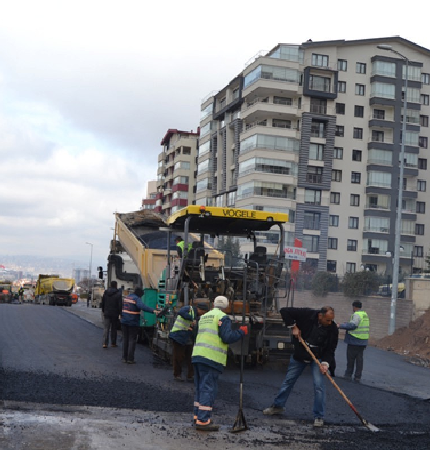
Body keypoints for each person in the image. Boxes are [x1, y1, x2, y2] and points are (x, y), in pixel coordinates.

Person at [263, 306, 338, 428]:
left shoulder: (332, 329)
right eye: (328, 320)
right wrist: (294, 327)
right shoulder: (307, 314)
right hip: (300, 355)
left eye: (331, 320)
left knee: (319, 386)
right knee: (288, 381)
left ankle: (319, 416)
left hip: (317, 357)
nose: (330, 323)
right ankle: (278, 406)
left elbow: (330, 349)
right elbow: (284, 311)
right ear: (320, 316)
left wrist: (325, 364)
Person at [191, 295, 248, 431]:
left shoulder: (203, 317)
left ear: (213, 304)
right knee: (208, 388)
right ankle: (203, 421)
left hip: (198, 355)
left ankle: (197, 416)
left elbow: (194, 334)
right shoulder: (222, 317)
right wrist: (241, 332)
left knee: (200, 387)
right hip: (211, 358)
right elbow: (227, 337)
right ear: (227, 306)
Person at [169, 302, 209, 382]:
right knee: (178, 357)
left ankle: (191, 376)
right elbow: (181, 312)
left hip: (189, 338)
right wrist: (191, 318)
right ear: (199, 309)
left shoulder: (198, 317)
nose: (202, 314)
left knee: (191, 358)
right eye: (202, 312)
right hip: (179, 336)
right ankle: (177, 375)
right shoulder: (188, 309)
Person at [121, 287, 160, 364]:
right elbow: (142, 307)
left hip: (124, 321)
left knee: (125, 340)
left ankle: (124, 358)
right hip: (132, 322)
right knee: (132, 340)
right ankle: (130, 359)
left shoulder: (127, 297)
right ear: (139, 294)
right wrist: (153, 310)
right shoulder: (136, 299)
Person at [338, 301, 369, 383]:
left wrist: (340, 326)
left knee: (350, 359)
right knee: (359, 360)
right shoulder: (364, 314)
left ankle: (348, 375)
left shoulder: (356, 315)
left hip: (354, 340)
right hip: (363, 341)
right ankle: (357, 377)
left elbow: (352, 326)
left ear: (354, 307)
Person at [101, 280, 122, 348]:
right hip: (115, 313)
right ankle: (113, 343)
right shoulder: (118, 294)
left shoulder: (106, 293)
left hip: (107, 313)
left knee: (106, 328)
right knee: (114, 328)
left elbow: (103, 303)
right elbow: (120, 305)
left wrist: (104, 310)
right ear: (116, 285)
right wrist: (120, 313)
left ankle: (105, 343)